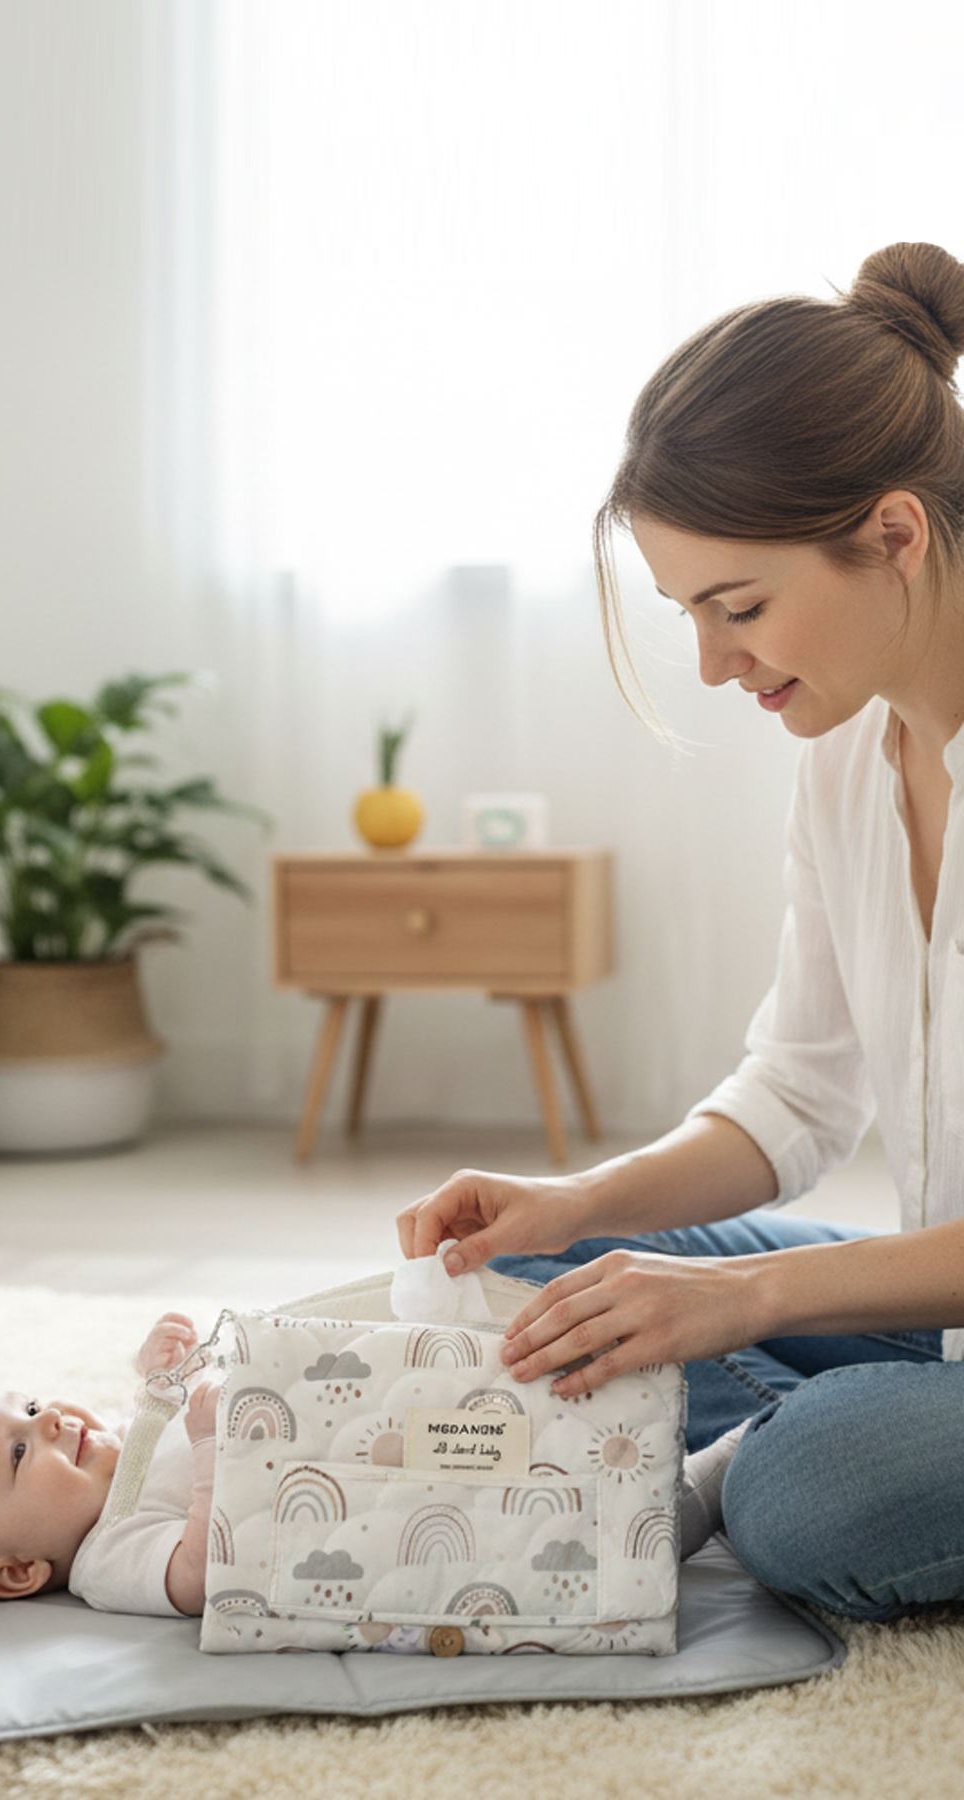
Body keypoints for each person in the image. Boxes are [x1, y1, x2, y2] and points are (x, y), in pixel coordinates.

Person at [397, 240, 964, 1624]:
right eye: (689, 617)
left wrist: (755, 1302)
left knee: (806, 1498)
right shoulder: (846, 755)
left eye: (741, 607)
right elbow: (796, 1095)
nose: (715, 666)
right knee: (551, 1283)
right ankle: (752, 1440)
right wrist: (581, 1205)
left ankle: (753, 1456)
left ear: (894, 534)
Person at [0, 1311, 222, 1614]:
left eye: (30, 1408)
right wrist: (210, 1449)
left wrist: (165, 1374)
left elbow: (157, 1420)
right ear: (19, 1571)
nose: (49, 1417)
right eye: (18, 1452)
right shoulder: (107, 1556)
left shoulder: (119, 1447)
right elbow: (202, 1576)